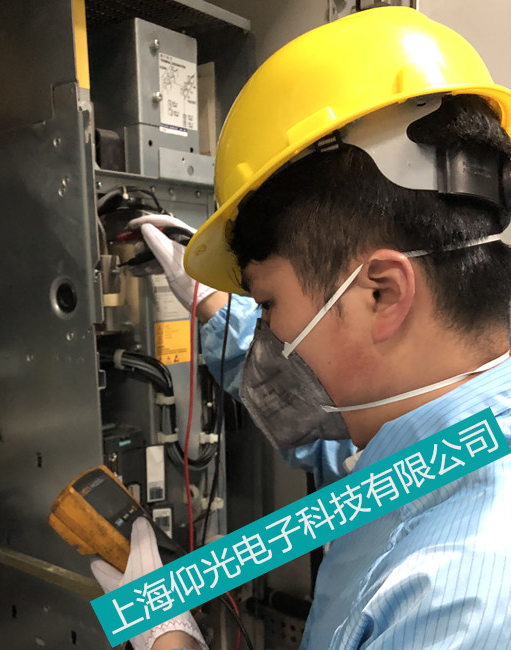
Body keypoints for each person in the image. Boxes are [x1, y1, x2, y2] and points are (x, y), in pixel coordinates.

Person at [92, 6, 511, 650]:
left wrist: (170, 640)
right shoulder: (462, 436)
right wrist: (209, 304)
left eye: (266, 305)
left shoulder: (456, 600)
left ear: (381, 293)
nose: (269, 338)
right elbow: (355, 460)